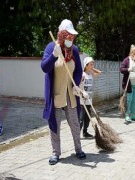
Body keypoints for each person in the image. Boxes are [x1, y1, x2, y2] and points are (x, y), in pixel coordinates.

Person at [41, 19, 86, 165]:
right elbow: (44, 68)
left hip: (71, 94)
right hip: (56, 95)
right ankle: (56, 153)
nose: (71, 39)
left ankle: (78, 149)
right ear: (61, 35)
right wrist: (54, 55)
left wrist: (77, 84)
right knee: (55, 125)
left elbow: (78, 69)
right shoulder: (50, 47)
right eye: (68, 36)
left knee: (74, 123)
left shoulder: (75, 50)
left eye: (72, 37)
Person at [79, 57, 101, 138]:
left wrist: (92, 68)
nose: (92, 65)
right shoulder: (83, 75)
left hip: (89, 100)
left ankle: (85, 132)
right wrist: (83, 92)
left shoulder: (91, 74)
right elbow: (78, 86)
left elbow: (99, 72)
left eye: (93, 64)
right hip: (82, 100)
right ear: (86, 65)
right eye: (91, 64)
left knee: (87, 118)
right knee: (81, 119)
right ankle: (77, 134)